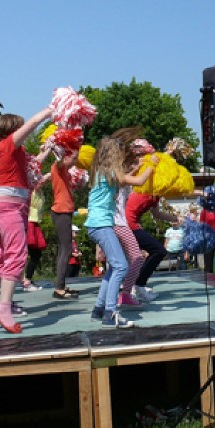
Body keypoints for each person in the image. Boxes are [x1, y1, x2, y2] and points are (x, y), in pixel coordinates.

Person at [0, 108, 52, 334]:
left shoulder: (5, 151)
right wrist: (52, 110)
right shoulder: (7, 144)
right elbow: (34, 122)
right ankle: (5, 308)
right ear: (11, 130)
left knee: (3, 253)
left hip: (3, 205)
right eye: (18, 128)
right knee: (17, 255)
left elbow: (29, 165)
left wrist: (47, 149)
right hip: (8, 206)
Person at [85, 137, 154, 328]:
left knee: (115, 267)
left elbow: (124, 182)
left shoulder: (103, 172)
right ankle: (111, 313)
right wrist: (151, 165)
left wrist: (136, 167)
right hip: (101, 225)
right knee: (121, 266)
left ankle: (100, 309)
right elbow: (139, 181)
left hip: (99, 225)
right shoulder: (109, 172)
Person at [125, 190, 180, 301]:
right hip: (128, 226)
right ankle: (138, 286)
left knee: (152, 253)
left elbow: (156, 214)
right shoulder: (145, 191)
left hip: (131, 225)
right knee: (158, 251)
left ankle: (137, 286)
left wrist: (175, 218)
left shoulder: (156, 196)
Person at [51, 150, 79, 299]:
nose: (75, 161)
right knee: (66, 249)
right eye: (74, 158)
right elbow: (60, 161)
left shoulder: (65, 172)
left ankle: (60, 284)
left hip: (64, 211)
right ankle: (59, 287)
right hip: (61, 211)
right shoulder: (58, 166)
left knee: (63, 249)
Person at [22, 178, 49, 296]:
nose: (42, 183)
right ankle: (26, 281)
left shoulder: (39, 192)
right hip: (29, 222)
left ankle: (27, 279)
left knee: (35, 254)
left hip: (35, 222)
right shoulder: (30, 190)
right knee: (29, 253)